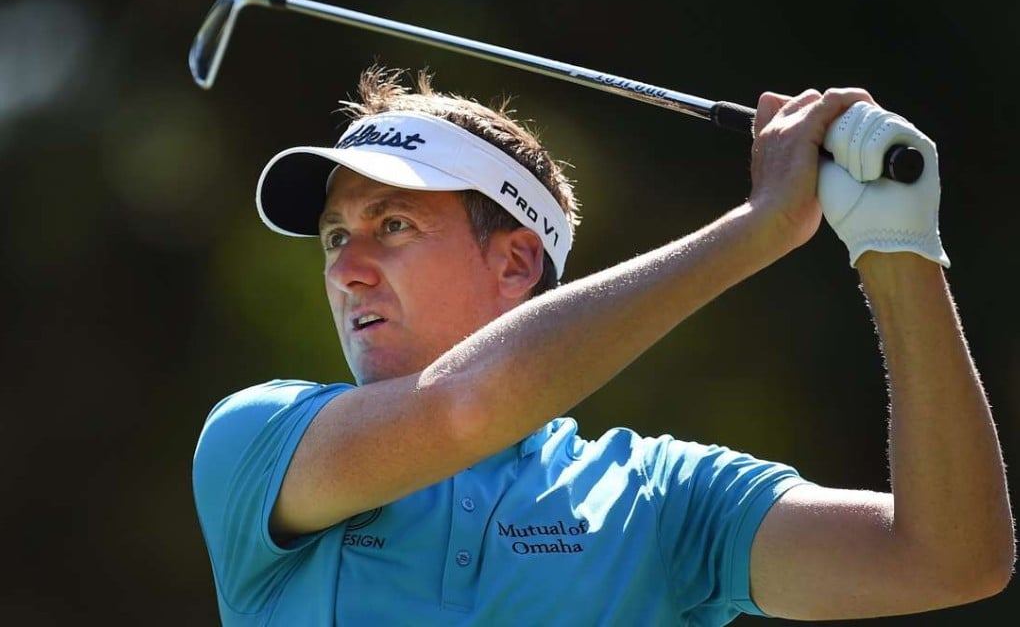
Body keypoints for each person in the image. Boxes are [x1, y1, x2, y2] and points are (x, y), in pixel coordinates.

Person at [192, 65, 1014, 626]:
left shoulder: (662, 496)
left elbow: (950, 561)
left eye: (393, 225)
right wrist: (758, 230)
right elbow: (462, 408)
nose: (349, 270)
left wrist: (896, 248)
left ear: (515, 260)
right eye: (336, 238)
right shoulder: (259, 437)